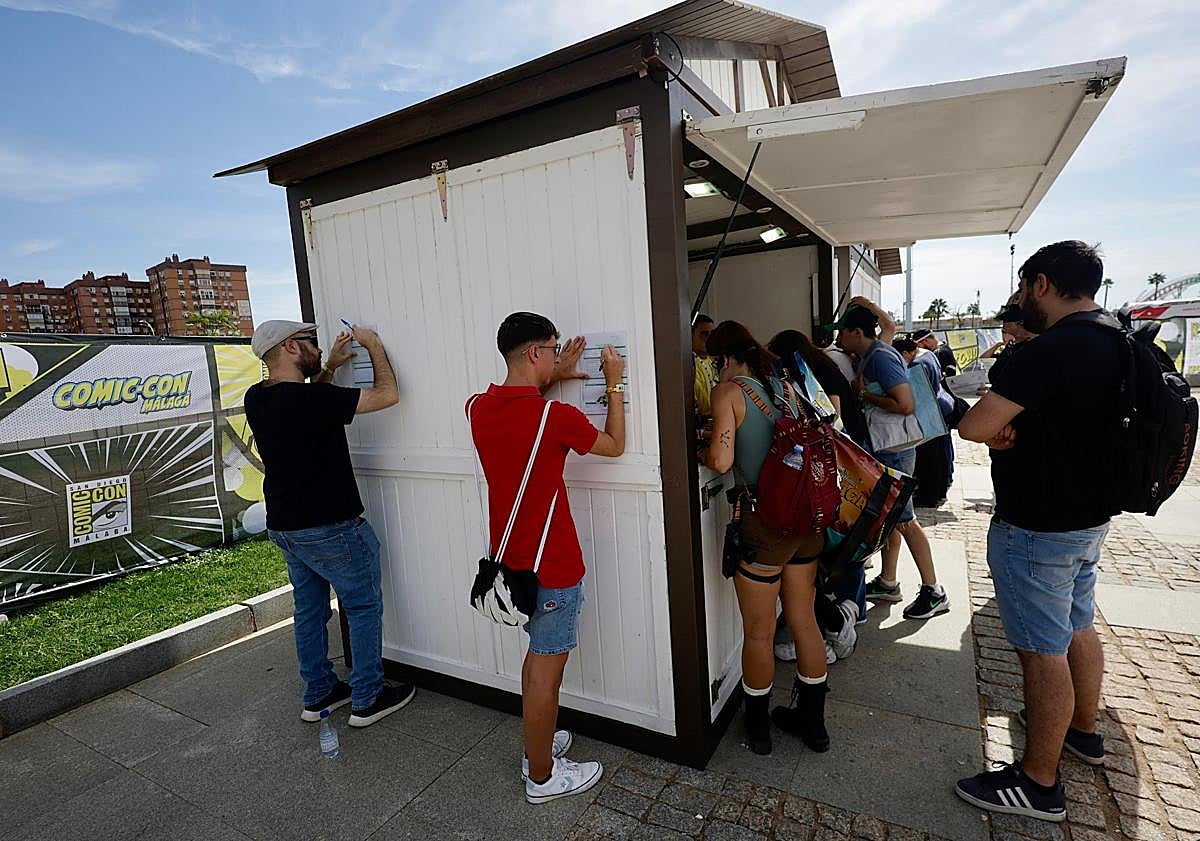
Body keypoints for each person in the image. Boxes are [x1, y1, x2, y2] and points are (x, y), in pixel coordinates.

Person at [955, 241, 1119, 822]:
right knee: (1078, 624)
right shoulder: (1117, 339)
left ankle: (1038, 781)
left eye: (1026, 286)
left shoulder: (1048, 351)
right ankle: (1083, 731)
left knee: (1040, 651)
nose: (1024, 297)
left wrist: (993, 425)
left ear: (1042, 284)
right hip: (1088, 519)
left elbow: (976, 425)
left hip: (1036, 525)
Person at [466, 312, 625, 805]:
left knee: (535, 659)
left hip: (512, 564)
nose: (558, 358)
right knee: (545, 673)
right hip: (553, 564)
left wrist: (554, 373)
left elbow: (517, 403)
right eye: (553, 350)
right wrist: (613, 385)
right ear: (535, 352)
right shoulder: (555, 418)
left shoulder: (476, 409)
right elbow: (615, 447)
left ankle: (538, 742)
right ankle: (542, 776)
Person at [245, 320, 417, 728]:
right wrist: (374, 344)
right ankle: (367, 698)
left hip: (286, 527)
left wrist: (330, 368)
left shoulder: (258, 397)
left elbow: (307, 400)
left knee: (308, 611)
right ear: (290, 347)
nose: (319, 349)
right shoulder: (308, 401)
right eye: (311, 344)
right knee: (361, 606)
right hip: (332, 528)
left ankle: (319, 692)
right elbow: (387, 395)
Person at [703, 321, 831, 756]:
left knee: (758, 633)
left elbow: (720, 461)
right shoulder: (786, 386)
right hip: (806, 522)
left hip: (765, 524)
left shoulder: (728, 392)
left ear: (723, 360)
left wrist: (711, 441)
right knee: (803, 619)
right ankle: (814, 723)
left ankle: (758, 729)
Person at [830, 306, 950, 620]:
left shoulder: (880, 357)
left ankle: (933, 590)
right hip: (889, 449)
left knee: (906, 520)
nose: (837, 338)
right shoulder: (875, 351)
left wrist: (864, 395)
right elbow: (889, 325)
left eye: (841, 332)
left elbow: (906, 404)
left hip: (894, 451)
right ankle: (888, 581)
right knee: (893, 518)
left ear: (857, 333)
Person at [894, 336, 955, 507]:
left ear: (906, 353)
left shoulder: (915, 365)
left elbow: (913, 396)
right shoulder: (927, 354)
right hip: (941, 405)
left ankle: (929, 496)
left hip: (929, 411)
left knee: (929, 458)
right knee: (940, 454)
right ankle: (939, 491)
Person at [693, 314, 718, 418]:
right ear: (690, 335)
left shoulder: (714, 362)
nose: (709, 338)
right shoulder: (689, 364)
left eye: (712, 333)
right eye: (704, 334)